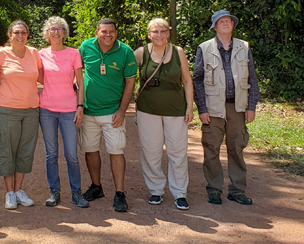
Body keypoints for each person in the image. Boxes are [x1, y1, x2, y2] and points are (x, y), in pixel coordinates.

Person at [193, 9, 260, 206]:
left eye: (228, 21)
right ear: (214, 27)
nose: (225, 23)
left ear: (233, 25)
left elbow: (253, 78)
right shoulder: (204, 48)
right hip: (213, 108)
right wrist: (202, 109)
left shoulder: (244, 47)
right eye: (220, 21)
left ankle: (237, 190)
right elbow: (197, 80)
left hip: (237, 107)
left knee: (237, 148)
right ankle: (214, 189)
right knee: (211, 148)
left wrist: (251, 105)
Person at [134, 18, 194, 211]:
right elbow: (124, 75)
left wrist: (189, 106)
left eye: (163, 31)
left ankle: (179, 193)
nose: (159, 35)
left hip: (175, 110)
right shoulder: (141, 52)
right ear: (149, 34)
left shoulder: (178, 52)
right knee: (151, 151)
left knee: (178, 151)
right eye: (155, 32)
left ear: (168, 33)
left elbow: (187, 81)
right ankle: (156, 190)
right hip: (147, 110)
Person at [78, 18, 137, 212]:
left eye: (111, 31)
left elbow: (130, 82)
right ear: (96, 32)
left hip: (113, 112)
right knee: (90, 149)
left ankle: (120, 193)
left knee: (116, 151)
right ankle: (96, 187)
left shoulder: (126, 52)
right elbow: (76, 72)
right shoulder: (85, 47)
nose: (108, 35)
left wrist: (122, 111)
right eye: (104, 31)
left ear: (116, 33)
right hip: (88, 110)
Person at [38, 16, 89, 208]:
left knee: (71, 155)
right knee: (51, 154)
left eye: (60, 28)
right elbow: (39, 76)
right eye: (52, 29)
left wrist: (80, 106)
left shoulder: (74, 53)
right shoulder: (41, 54)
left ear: (64, 33)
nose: (56, 31)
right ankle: (54, 192)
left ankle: (76, 192)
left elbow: (80, 83)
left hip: (69, 110)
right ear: (47, 33)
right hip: (47, 110)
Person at [0, 20, 43, 210]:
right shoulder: (0, 54)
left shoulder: (34, 53)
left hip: (31, 110)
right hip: (7, 109)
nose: (20, 36)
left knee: (25, 150)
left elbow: (43, 77)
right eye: (16, 32)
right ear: (10, 35)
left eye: (23, 32)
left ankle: (19, 190)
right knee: (8, 150)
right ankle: (9, 193)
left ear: (28, 34)